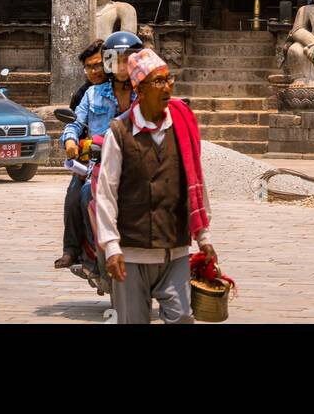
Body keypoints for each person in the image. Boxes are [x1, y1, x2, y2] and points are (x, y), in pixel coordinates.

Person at [95, 47, 216, 325]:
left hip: (174, 248)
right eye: (158, 81)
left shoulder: (182, 126)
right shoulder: (120, 132)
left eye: (169, 79)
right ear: (139, 88)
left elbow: (196, 180)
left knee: (183, 316)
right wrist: (111, 246)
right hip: (132, 251)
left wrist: (204, 237)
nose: (167, 87)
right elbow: (106, 192)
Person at [54, 38, 105, 269]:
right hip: (92, 158)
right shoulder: (87, 94)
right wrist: (72, 141)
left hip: (125, 156)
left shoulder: (131, 89)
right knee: (77, 195)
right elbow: (75, 123)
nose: (94, 71)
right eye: (89, 67)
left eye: (99, 65)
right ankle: (77, 250)